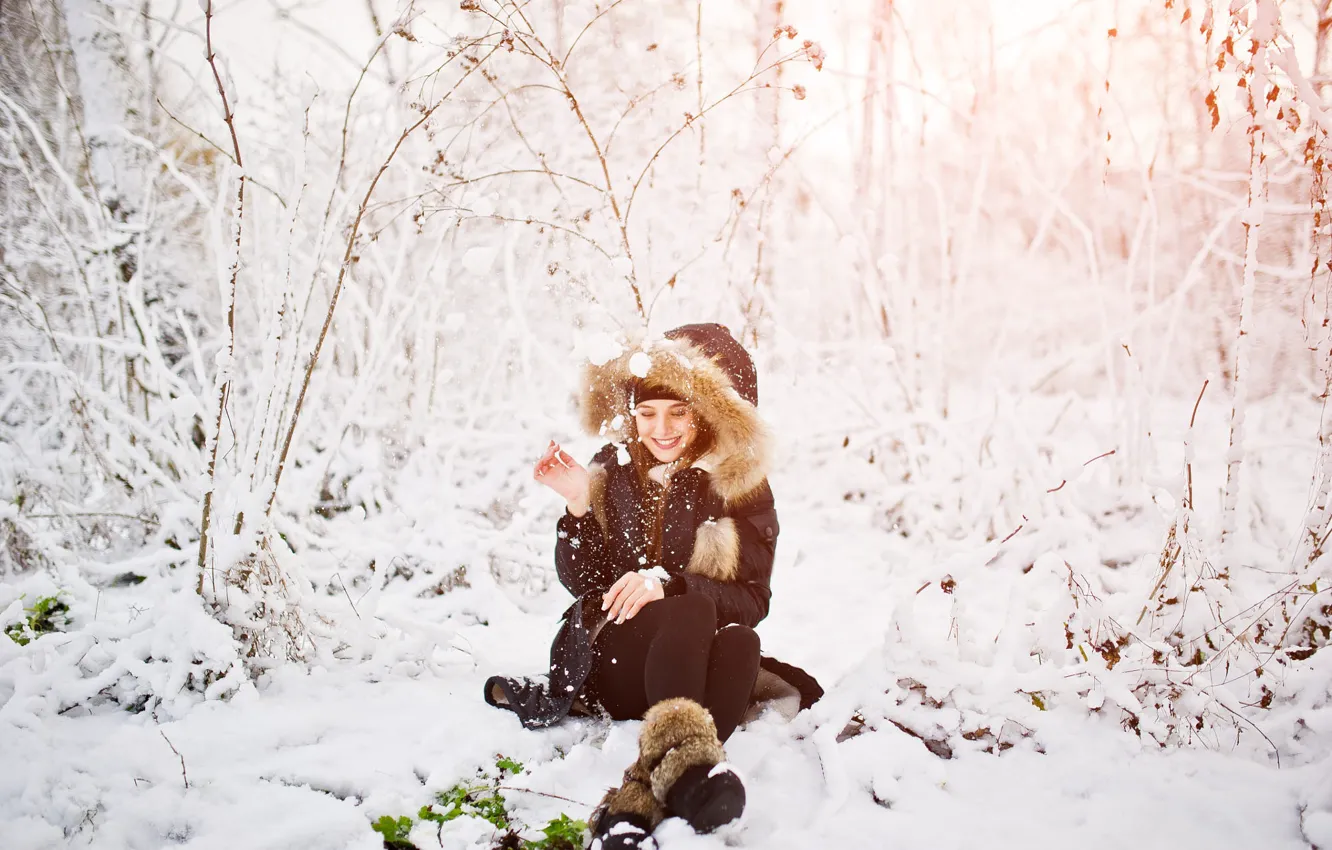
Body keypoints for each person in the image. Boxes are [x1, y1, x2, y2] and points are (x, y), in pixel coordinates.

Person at [484, 323, 821, 849]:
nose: (660, 429)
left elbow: (754, 600)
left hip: (684, 672)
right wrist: (578, 504)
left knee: (740, 643)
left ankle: (645, 800)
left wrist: (674, 584)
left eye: (678, 412)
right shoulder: (613, 467)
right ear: (632, 413)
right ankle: (686, 776)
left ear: (706, 413)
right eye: (647, 413)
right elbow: (584, 584)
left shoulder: (739, 484)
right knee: (689, 614)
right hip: (612, 662)